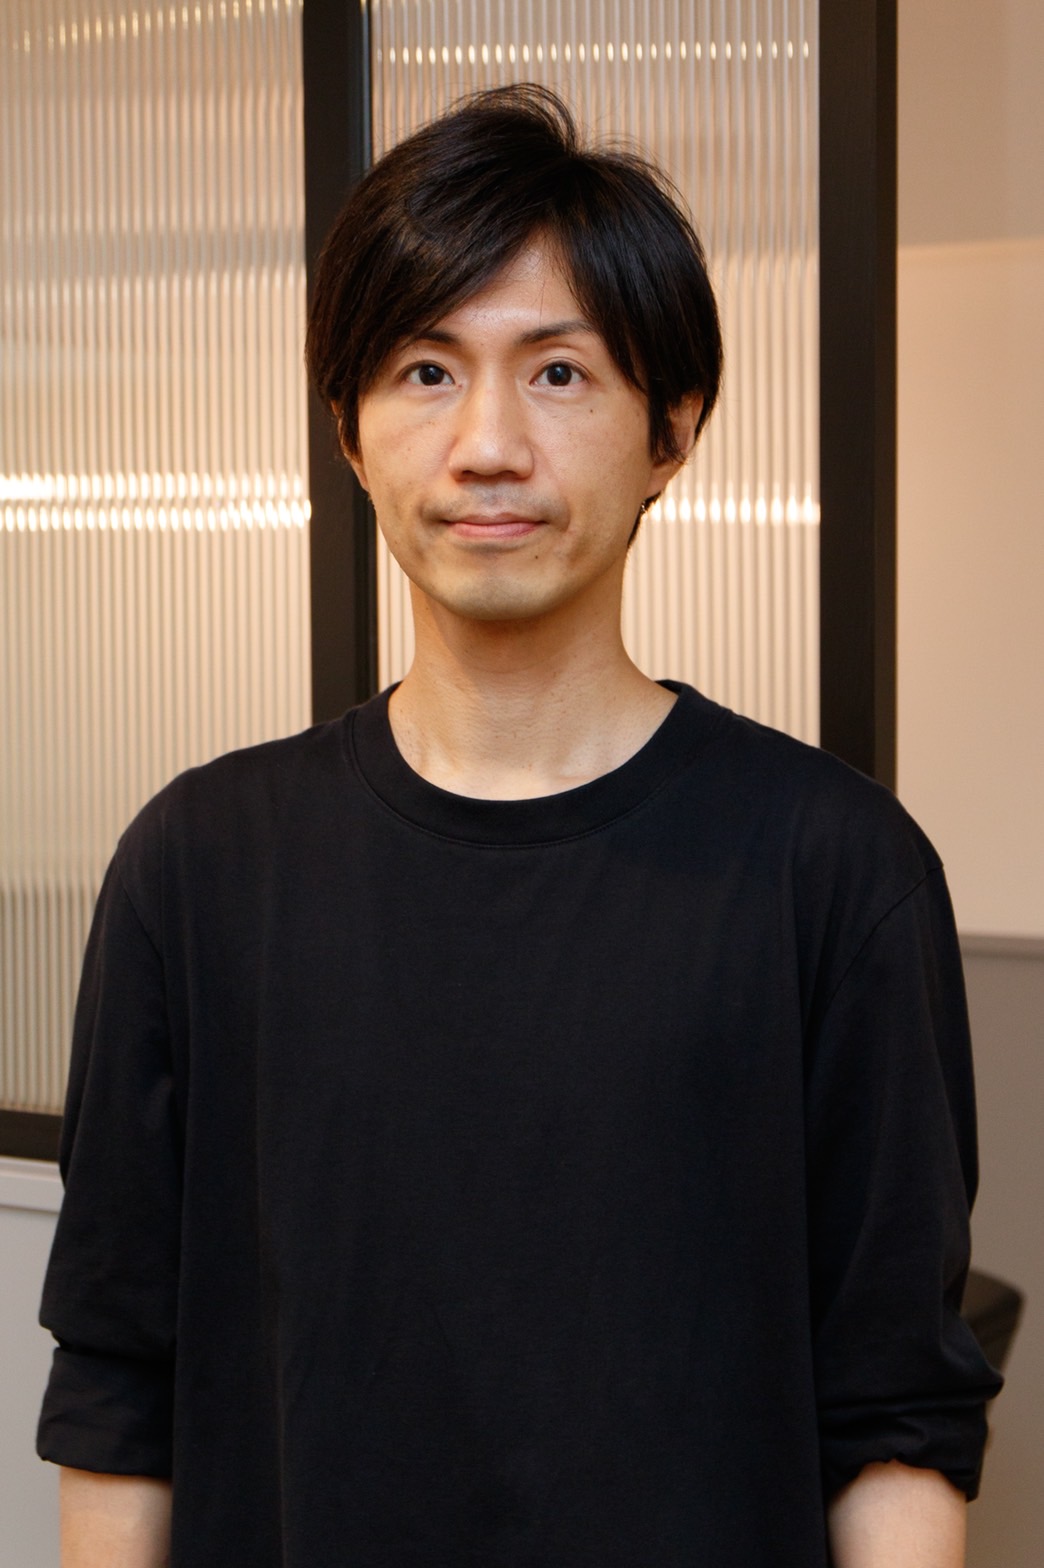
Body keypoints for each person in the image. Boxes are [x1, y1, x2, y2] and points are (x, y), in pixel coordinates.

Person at [38, 84, 1000, 1566]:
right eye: (425, 371)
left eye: (559, 372)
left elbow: (894, 1419)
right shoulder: (200, 865)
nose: (487, 444)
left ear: (673, 429)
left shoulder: (835, 869)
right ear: (351, 434)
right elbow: (120, 1388)